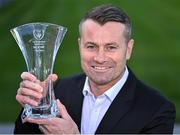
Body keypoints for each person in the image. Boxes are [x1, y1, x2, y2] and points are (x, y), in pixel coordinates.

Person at [14, 4, 176, 134]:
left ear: (128, 49)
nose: (99, 57)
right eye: (91, 46)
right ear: (79, 45)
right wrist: (32, 106)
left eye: (111, 47)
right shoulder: (57, 91)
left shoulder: (157, 110)